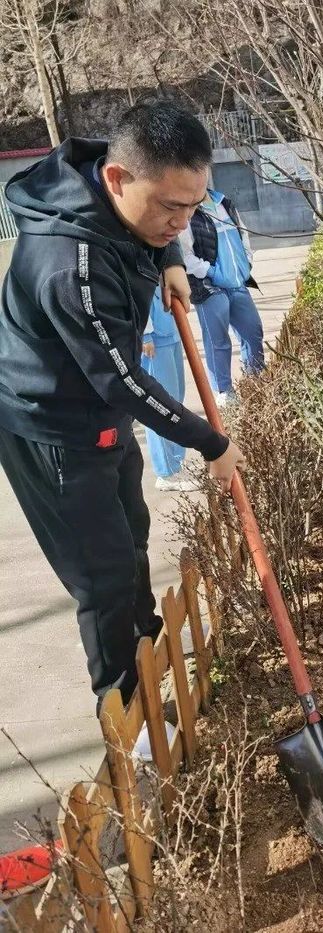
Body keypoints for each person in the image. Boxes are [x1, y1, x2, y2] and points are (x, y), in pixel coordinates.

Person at [0, 101, 245, 713]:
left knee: (132, 533)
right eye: (171, 208)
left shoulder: (119, 196)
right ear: (118, 180)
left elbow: (155, 225)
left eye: (194, 204)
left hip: (98, 414)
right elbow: (122, 382)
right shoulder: (69, 266)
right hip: (51, 424)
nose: (183, 221)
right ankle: (126, 705)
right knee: (101, 577)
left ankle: (146, 647)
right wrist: (212, 443)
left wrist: (168, 259)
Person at [181, 189, 264, 407]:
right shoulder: (188, 210)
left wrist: (246, 263)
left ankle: (255, 383)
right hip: (209, 285)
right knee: (218, 340)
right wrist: (212, 272)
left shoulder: (224, 203)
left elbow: (243, 235)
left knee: (252, 332)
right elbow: (185, 255)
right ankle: (224, 391)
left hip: (237, 283)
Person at [142, 287, 198, 492]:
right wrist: (145, 333)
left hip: (169, 329)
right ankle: (166, 472)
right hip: (153, 337)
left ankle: (176, 463)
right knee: (160, 406)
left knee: (175, 400)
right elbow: (134, 290)